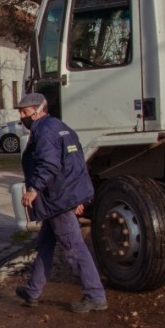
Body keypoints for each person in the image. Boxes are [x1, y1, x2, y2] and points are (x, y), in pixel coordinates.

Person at [15, 92, 107, 313]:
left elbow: (49, 164)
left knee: (74, 248)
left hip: (56, 199)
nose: (21, 116)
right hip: (61, 197)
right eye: (20, 112)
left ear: (39, 111)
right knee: (45, 245)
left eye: (25, 112)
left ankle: (95, 295)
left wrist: (33, 189)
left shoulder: (45, 132)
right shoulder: (60, 126)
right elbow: (76, 164)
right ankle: (32, 291)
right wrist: (78, 197)